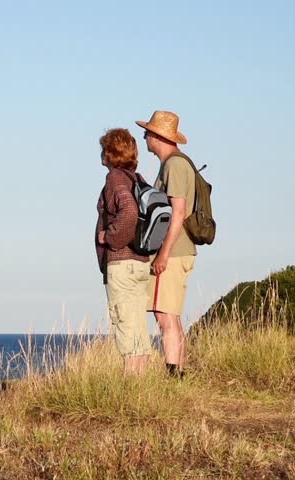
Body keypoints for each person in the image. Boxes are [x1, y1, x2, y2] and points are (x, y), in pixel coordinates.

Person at [136, 111, 196, 377]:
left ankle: (173, 377)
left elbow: (178, 213)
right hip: (179, 251)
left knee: (164, 317)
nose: (145, 137)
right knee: (172, 315)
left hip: (173, 252)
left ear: (158, 136)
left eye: (148, 132)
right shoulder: (174, 165)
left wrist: (162, 254)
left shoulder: (175, 165)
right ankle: (179, 373)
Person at [95, 128, 153, 375]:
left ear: (110, 153)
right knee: (138, 331)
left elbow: (129, 212)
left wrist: (110, 237)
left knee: (127, 332)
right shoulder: (136, 178)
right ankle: (140, 389)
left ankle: (132, 394)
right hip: (140, 263)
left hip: (123, 264)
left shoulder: (116, 178)